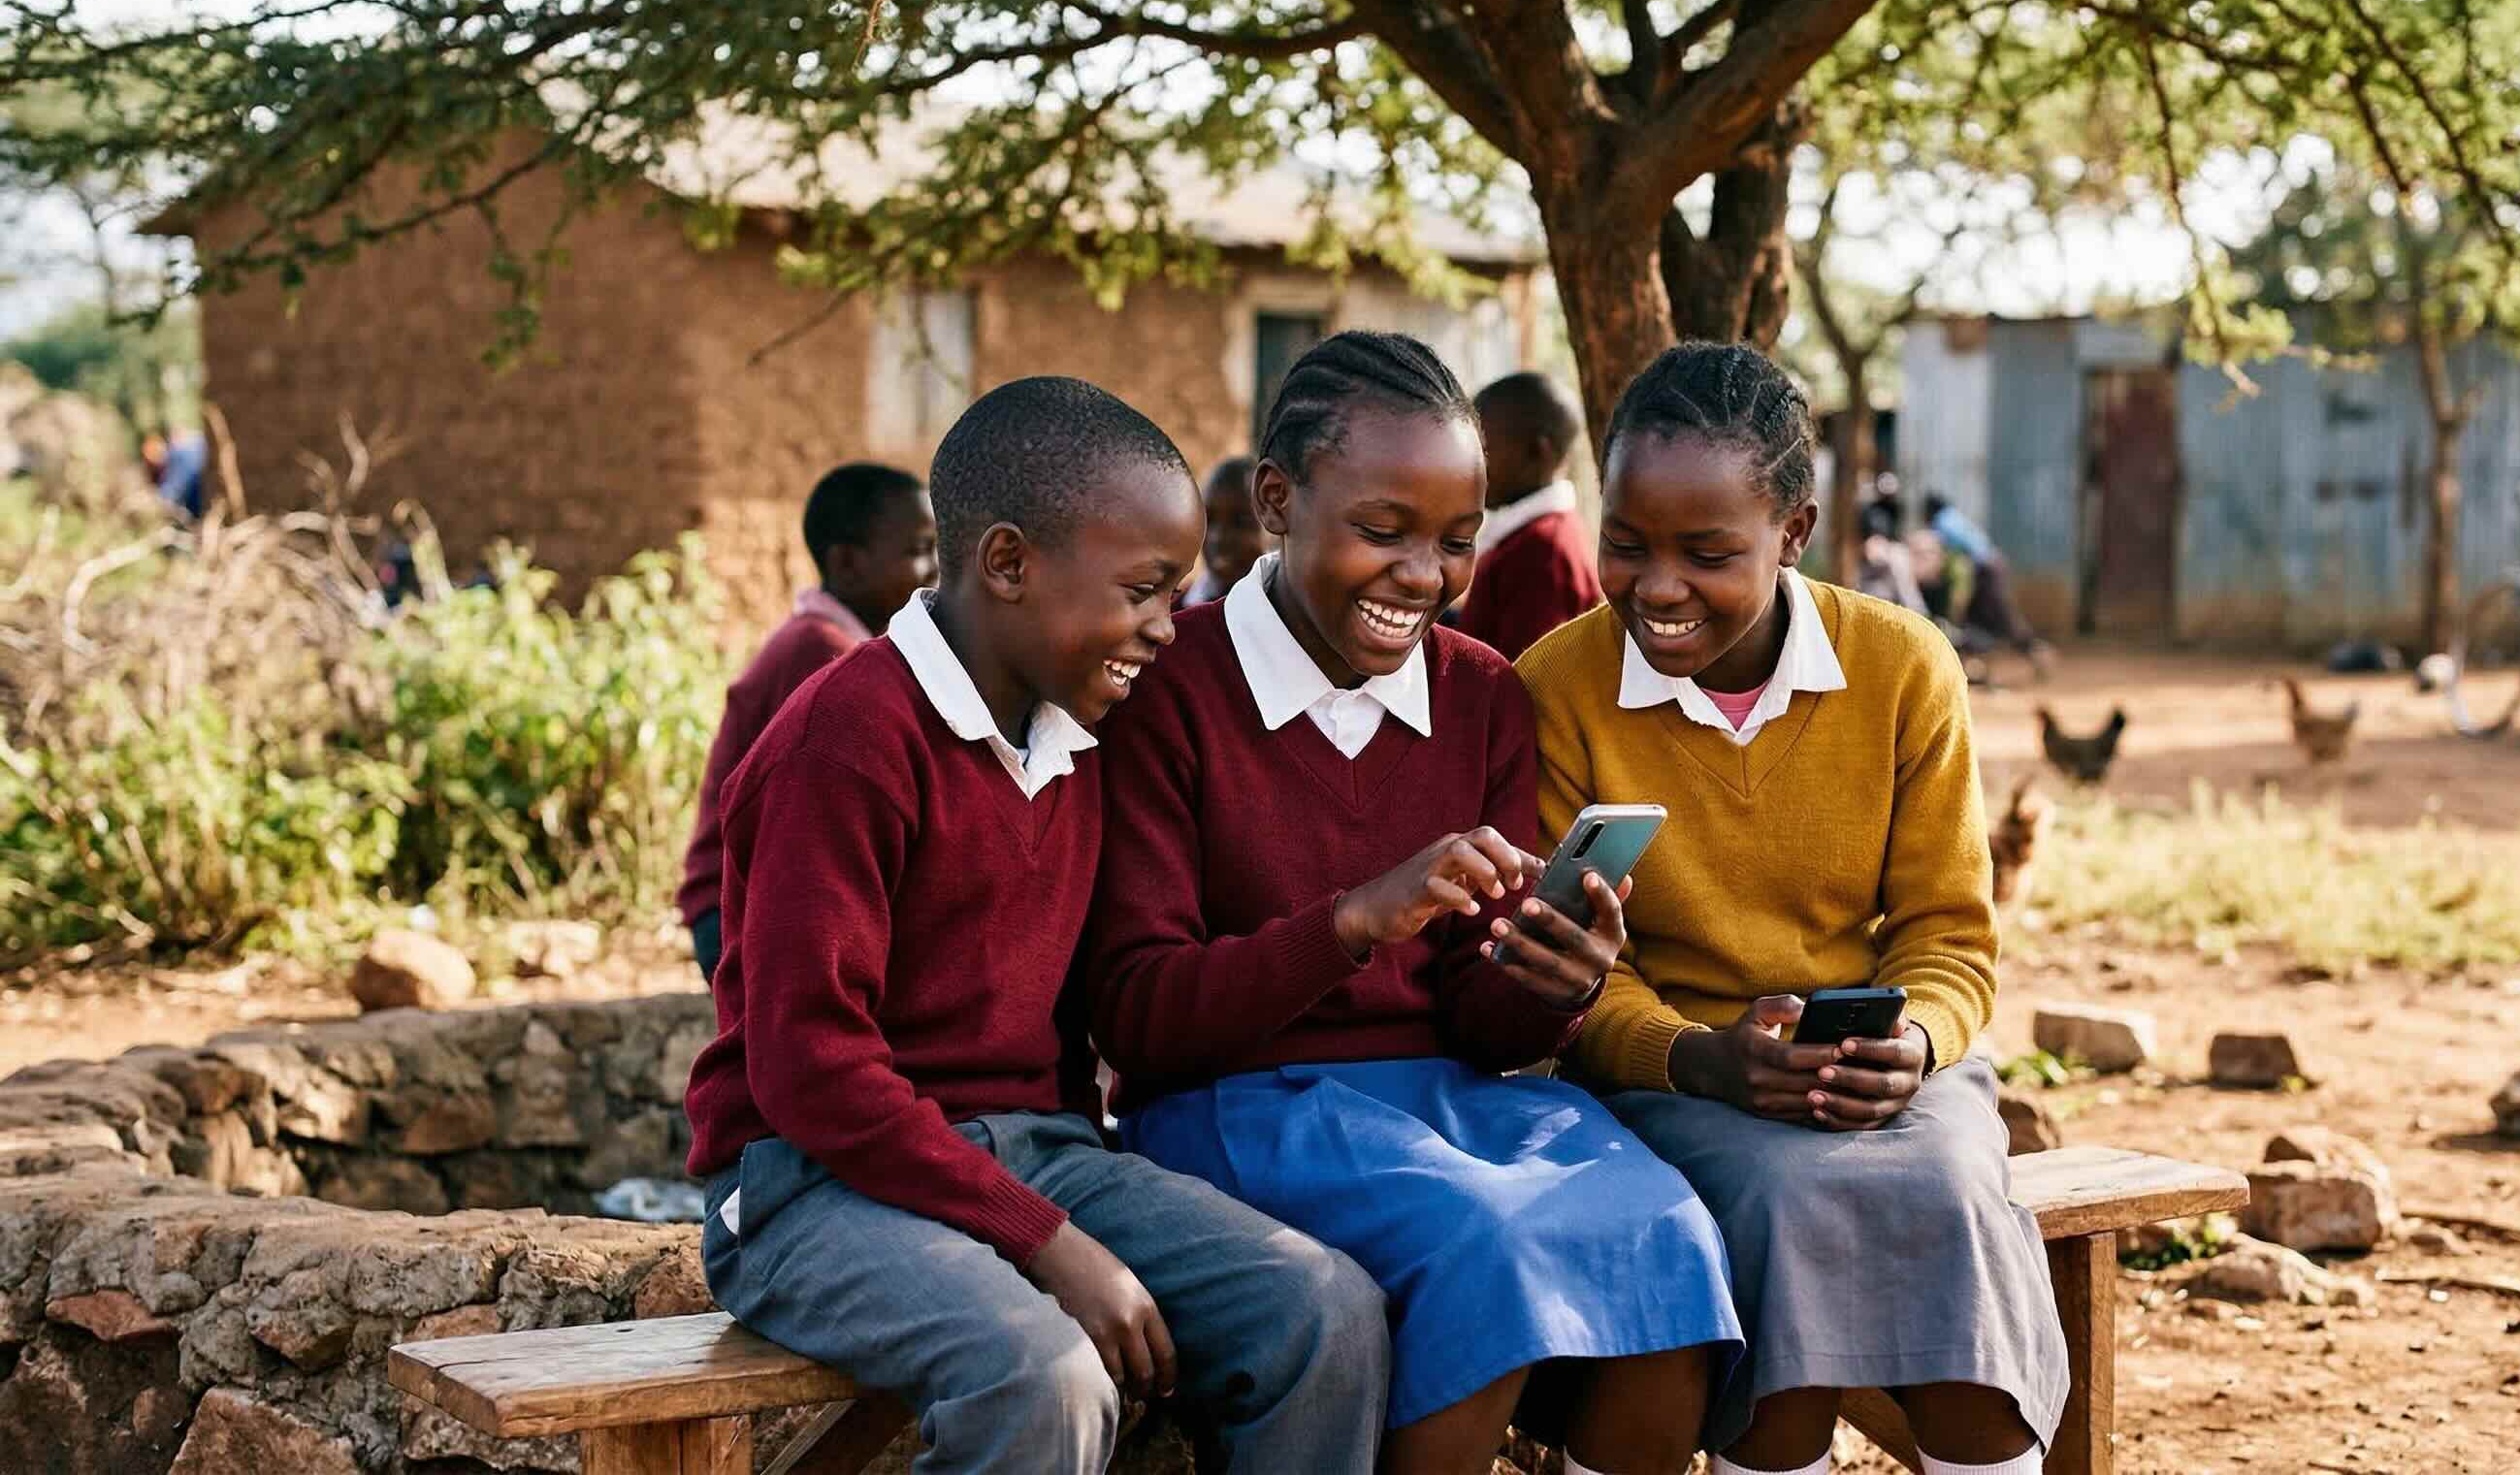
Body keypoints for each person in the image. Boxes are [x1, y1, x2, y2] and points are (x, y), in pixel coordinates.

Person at [685, 378, 1388, 1475]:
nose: (1168, 627)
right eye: (1146, 591)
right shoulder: (847, 736)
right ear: (1006, 564)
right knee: (1039, 1373)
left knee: (1322, 1308)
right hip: (812, 1186)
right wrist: (1045, 1240)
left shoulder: (1079, 736)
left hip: (1037, 1153)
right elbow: (808, 1068)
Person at [1083, 332, 1741, 1475]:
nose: (1422, 576)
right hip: (1231, 1107)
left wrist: (1554, 982)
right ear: (1278, 501)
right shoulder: (1168, 689)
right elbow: (1134, 1015)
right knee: (1482, 1241)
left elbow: (1481, 1027)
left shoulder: (1482, 692)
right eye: (1381, 532)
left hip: (1450, 1101)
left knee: (1670, 1235)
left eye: (1454, 540)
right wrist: (1346, 923)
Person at [1518, 343, 2068, 1475]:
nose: (1656, 588)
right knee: (1771, 1201)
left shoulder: (1901, 668)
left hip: (1882, 1064)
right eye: (1624, 545)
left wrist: (1911, 1038)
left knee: (1956, 1195)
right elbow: (1573, 972)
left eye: (1707, 554)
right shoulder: (1557, 687)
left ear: (1794, 532)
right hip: (1669, 1078)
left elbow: (1947, 931)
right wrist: (1697, 1059)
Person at [675, 463, 938, 978]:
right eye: (917, 551)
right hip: (738, 912)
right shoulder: (822, 651)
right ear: (845, 563)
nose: (935, 570)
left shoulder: (851, 645)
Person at [1458, 370, 1602, 660]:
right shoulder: (1526, 537)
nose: (1471, 467)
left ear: (1538, 453)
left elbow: (1524, 679)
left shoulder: (1544, 551)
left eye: (1484, 451)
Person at [1920, 492, 2051, 675]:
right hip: (1989, 567)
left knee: (2001, 616)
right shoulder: (1953, 517)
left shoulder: (1941, 522)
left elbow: (1938, 554)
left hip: (1986, 570)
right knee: (1977, 617)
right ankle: (1975, 667)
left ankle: (2036, 651)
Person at [1179, 455, 1262, 606]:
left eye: (1240, 522)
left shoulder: (1291, 616)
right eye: (1209, 520)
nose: (1219, 537)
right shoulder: (1175, 613)